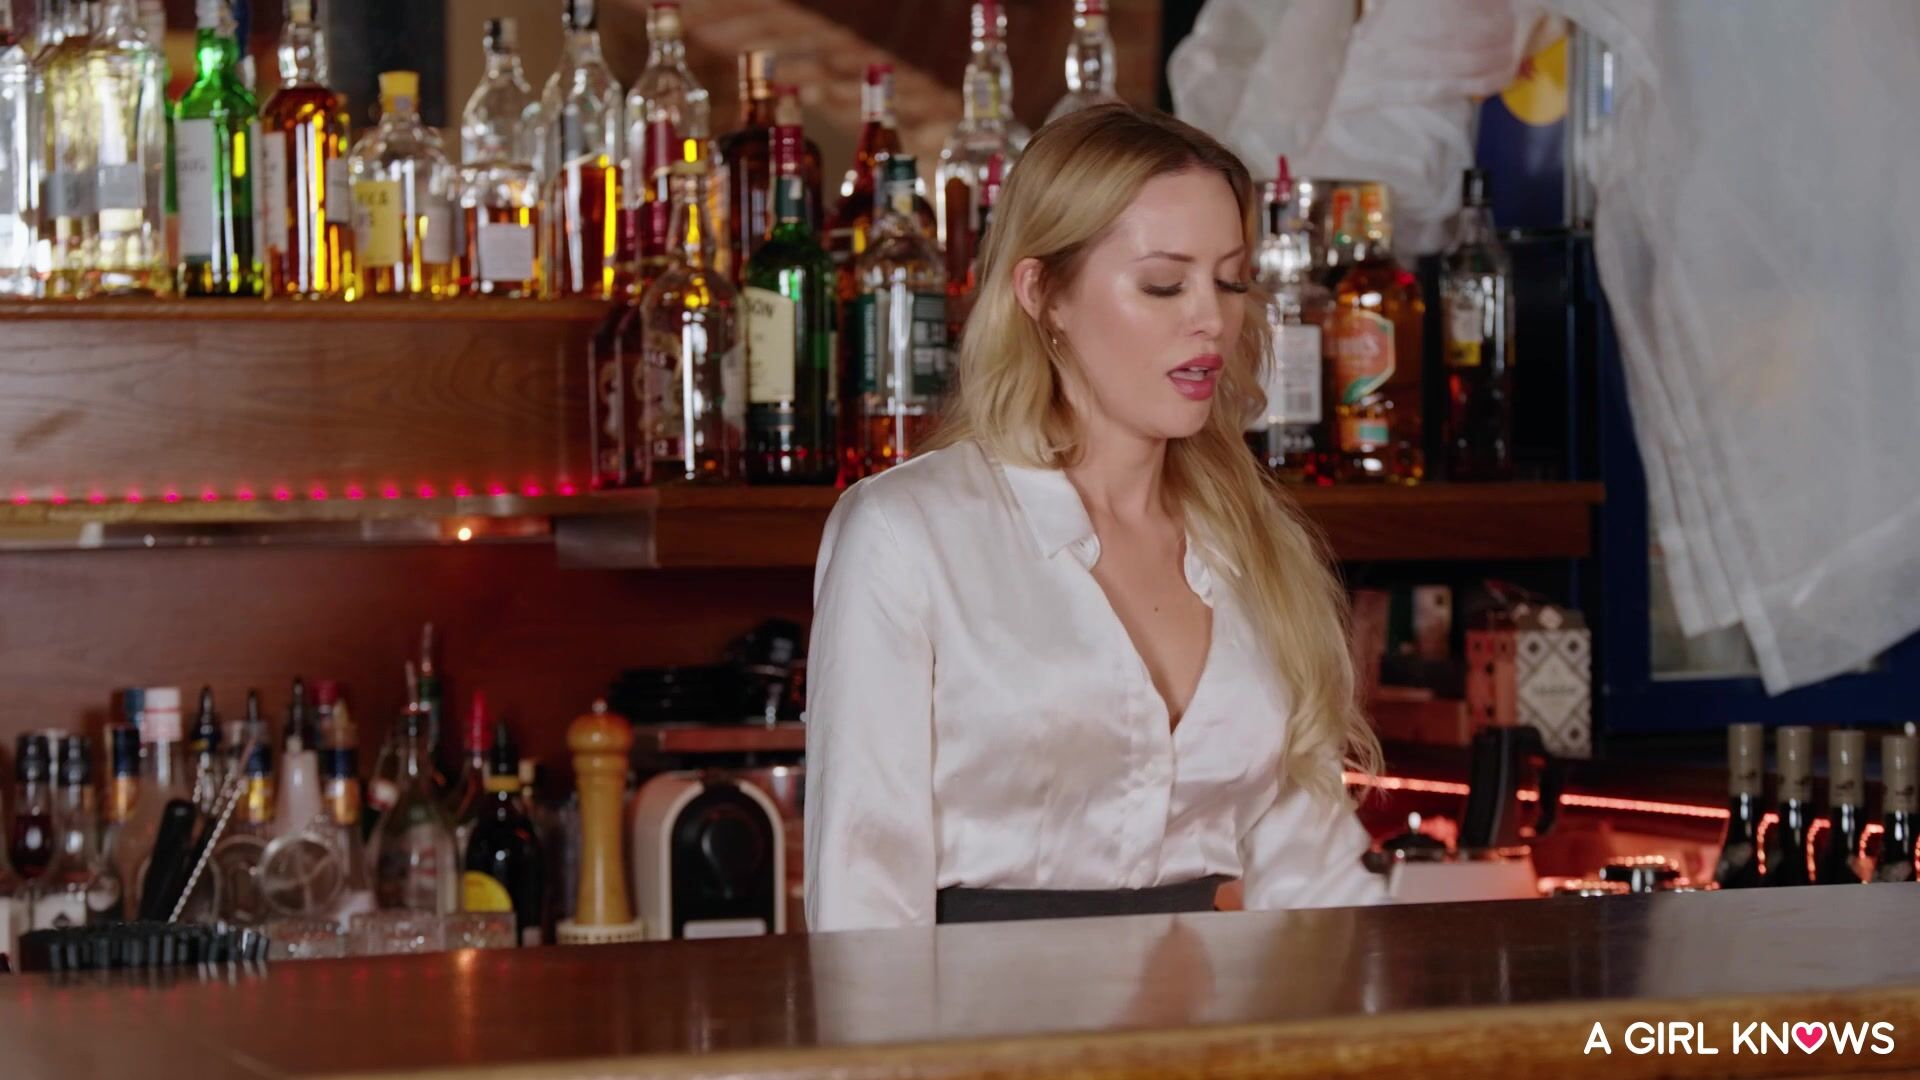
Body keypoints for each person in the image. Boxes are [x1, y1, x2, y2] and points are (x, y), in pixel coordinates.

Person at [804, 104, 1385, 932]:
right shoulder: (907, 533)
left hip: (1219, 1009)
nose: (1211, 319)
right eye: (1163, 284)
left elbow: (1314, 873)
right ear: (1044, 295)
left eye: (1230, 281)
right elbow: (862, 891)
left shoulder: (1256, 545)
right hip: (980, 1013)